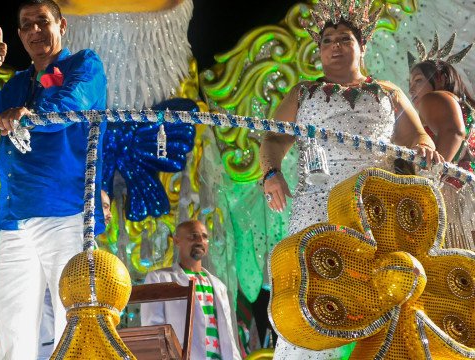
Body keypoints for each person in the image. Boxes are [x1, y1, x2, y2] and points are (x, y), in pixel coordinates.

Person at [259, 1, 441, 359]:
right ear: (320, 51)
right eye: (327, 40)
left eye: (345, 38)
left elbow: (418, 138)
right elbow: (274, 138)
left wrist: (424, 147)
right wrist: (271, 173)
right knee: (315, 290)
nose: (336, 45)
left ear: (362, 46)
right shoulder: (302, 92)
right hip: (317, 202)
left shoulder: (388, 92)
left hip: (373, 207)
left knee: (377, 292)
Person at [0, 0, 107, 358]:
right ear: (18, 35)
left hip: (65, 210)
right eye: (26, 25)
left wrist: (30, 114)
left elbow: (71, 103)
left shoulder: (84, 64)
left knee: (72, 317)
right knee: (13, 325)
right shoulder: (16, 83)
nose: (34, 31)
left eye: (42, 22)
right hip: (15, 216)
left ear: (61, 26)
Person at [408, 34, 475, 249]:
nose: (411, 89)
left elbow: (454, 133)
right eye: (409, 84)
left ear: (439, 78)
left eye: (418, 80)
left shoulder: (434, 98)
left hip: (458, 196)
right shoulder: (463, 106)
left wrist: (429, 185)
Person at [141, 220, 242, 360]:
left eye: (205, 236)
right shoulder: (158, 278)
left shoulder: (219, 285)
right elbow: (152, 332)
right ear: (177, 241)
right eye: (193, 236)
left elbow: (228, 336)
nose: (200, 240)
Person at [37, 188, 112, 357]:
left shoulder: (91, 247)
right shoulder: (67, 242)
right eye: (105, 206)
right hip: (54, 343)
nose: (110, 214)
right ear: (89, 206)